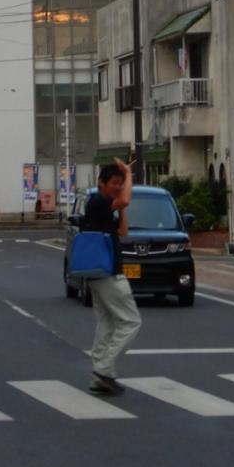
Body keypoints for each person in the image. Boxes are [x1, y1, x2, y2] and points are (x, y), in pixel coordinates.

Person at [80, 158, 142, 397]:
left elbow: (123, 231)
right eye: (115, 182)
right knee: (130, 321)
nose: (119, 186)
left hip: (99, 271)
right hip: (108, 272)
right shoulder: (98, 201)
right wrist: (128, 173)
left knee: (107, 323)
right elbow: (125, 199)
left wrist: (121, 207)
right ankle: (104, 370)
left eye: (120, 182)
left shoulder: (105, 206)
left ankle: (99, 374)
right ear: (101, 184)